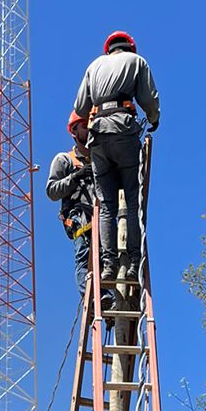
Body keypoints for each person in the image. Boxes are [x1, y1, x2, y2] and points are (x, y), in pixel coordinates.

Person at [71, 31, 160, 283]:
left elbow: (80, 107)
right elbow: (148, 99)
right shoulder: (136, 61)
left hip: (98, 136)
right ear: (130, 47)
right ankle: (132, 262)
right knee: (131, 199)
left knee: (107, 204)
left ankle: (108, 264)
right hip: (123, 129)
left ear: (108, 49)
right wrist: (154, 119)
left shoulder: (94, 66)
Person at [46, 113, 115, 310]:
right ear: (74, 131)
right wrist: (75, 177)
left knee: (109, 259)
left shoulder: (100, 160)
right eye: (85, 126)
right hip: (81, 218)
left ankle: (109, 299)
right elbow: (52, 191)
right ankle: (94, 298)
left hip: (104, 217)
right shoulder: (65, 160)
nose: (89, 129)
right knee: (86, 259)